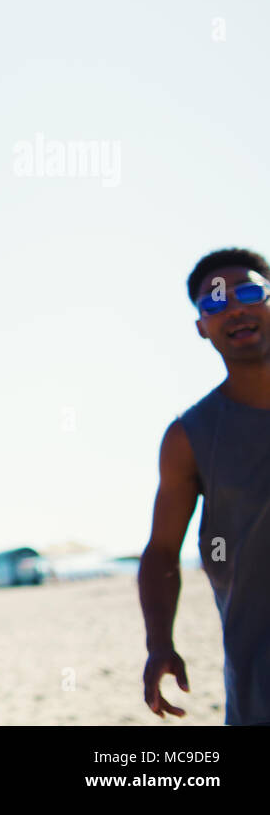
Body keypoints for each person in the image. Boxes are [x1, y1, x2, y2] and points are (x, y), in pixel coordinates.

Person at [140, 247, 270, 725]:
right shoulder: (190, 436)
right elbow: (160, 551)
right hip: (260, 677)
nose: (234, 308)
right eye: (214, 303)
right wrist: (159, 644)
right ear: (200, 326)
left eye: (250, 293)